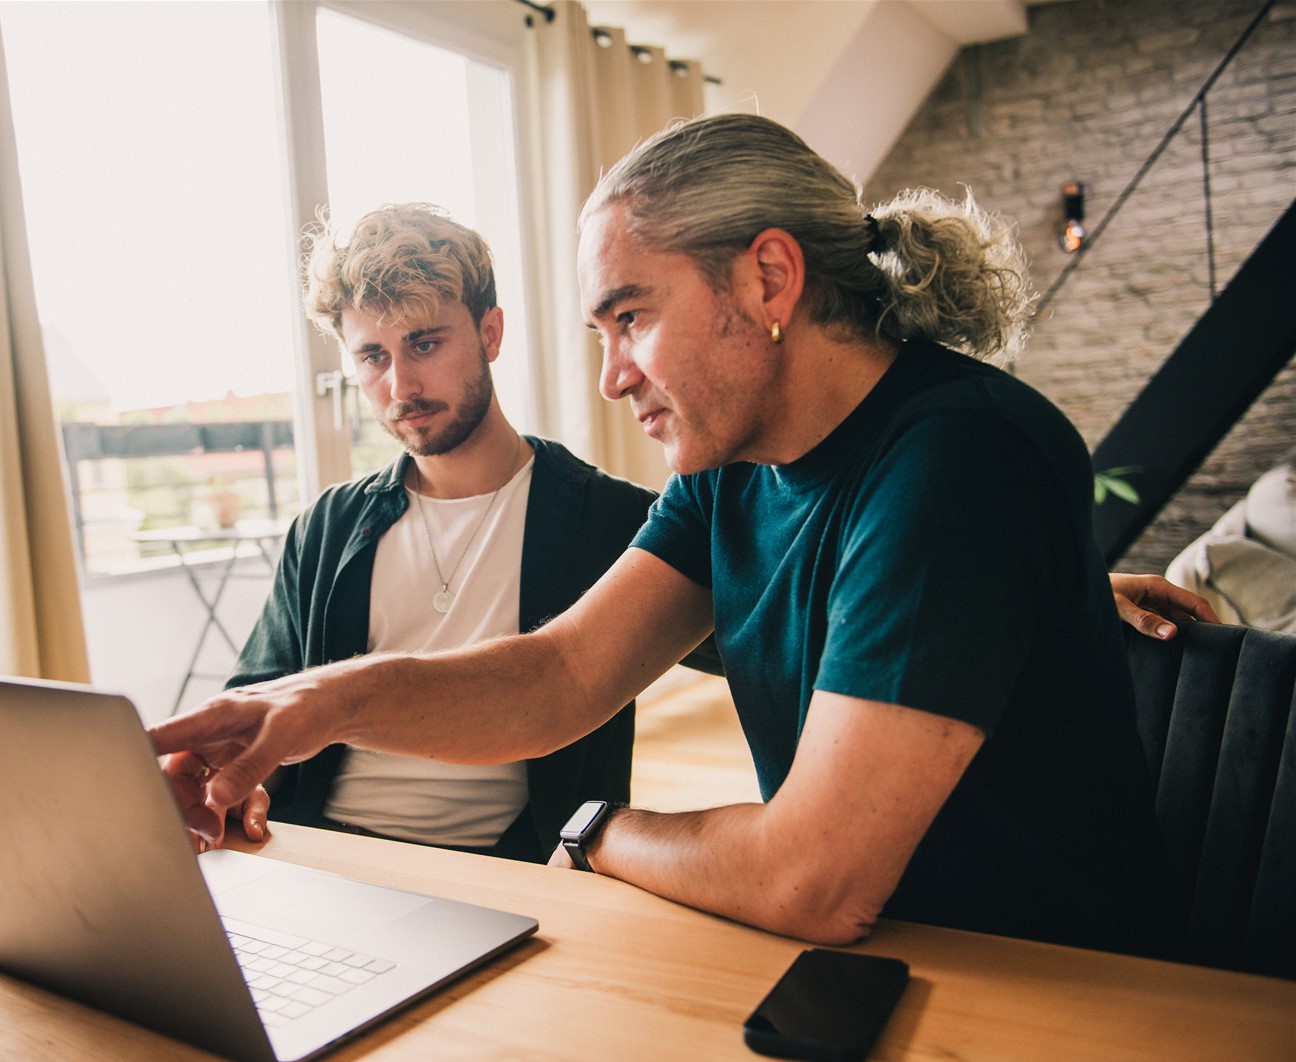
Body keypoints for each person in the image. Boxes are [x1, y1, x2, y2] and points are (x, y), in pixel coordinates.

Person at [157, 117, 1215, 956]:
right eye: (600, 329)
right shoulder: (729, 468)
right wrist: (312, 702)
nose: (612, 373)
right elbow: (561, 673)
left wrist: (597, 830)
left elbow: (812, 880)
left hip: (1061, 989)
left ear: (767, 278)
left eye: (631, 316)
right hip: (878, 963)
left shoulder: (958, 456)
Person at [193, 203, 684, 862]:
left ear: (491, 332)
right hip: (320, 859)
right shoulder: (327, 529)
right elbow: (254, 714)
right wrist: (236, 787)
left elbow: (773, 633)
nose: (400, 384)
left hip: (513, 875)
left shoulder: (612, 520)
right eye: (372, 355)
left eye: (424, 343)